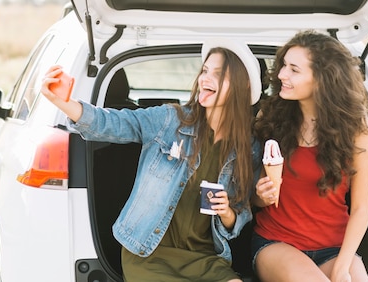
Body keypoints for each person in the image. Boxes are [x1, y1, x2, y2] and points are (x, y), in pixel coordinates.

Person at [41, 38, 262, 282]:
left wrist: (227, 212)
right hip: (148, 252)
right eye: (205, 70)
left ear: (240, 87)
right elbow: (112, 123)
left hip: (204, 256)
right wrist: (65, 103)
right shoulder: (169, 120)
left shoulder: (248, 147)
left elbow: (242, 211)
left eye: (218, 74)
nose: (204, 79)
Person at [251, 30, 368, 282]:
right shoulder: (270, 119)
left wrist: (343, 267)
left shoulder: (357, 130)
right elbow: (250, 197)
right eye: (284, 65)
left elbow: (362, 208)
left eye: (294, 70)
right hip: (276, 243)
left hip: (335, 247)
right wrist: (260, 196)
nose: (282, 75)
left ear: (322, 79)